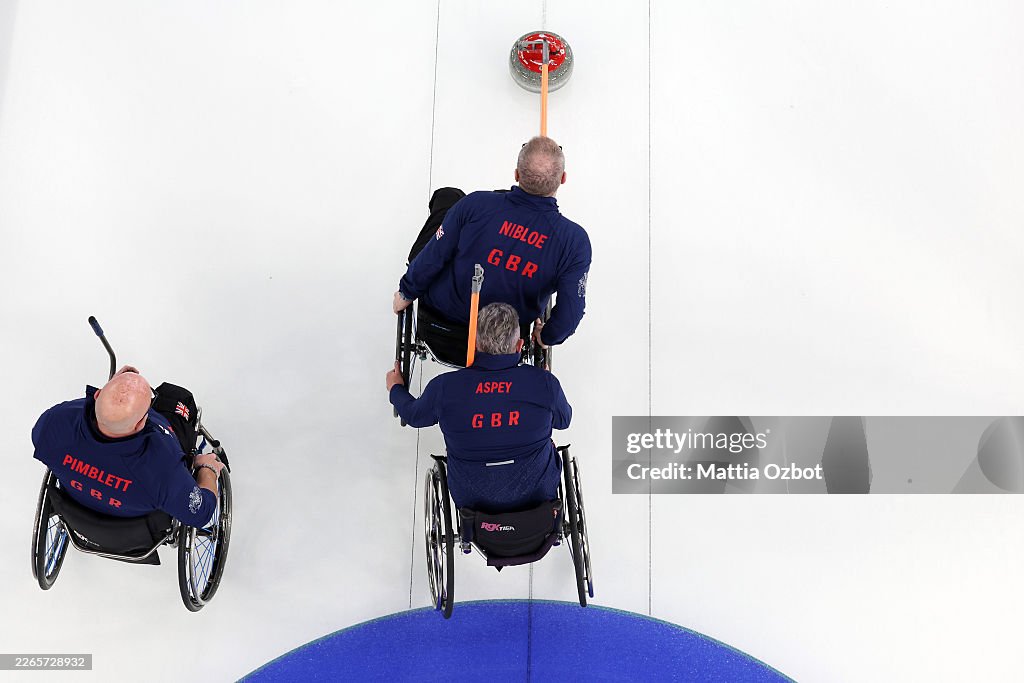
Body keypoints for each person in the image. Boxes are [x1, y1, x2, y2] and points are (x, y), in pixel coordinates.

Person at [393, 136, 591, 363]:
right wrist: (546, 336)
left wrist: (406, 292)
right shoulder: (574, 242)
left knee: (448, 198)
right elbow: (570, 314)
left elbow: (434, 255)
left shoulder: (475, 204)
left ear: (516, 174)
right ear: (563, 179)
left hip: (441, 327)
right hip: (504, 345)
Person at [387, 302, 571, 512]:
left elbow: (413, 416)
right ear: (520, 346)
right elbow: (563, 421)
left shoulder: (444, 387)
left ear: (474, 343)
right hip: (539, 493)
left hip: (472, 497)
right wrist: (546, 386)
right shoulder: (544, 383)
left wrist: (396, 389)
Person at [31, 366, 223, 528]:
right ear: (141, 424)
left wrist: (116, 387)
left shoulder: (54, 423)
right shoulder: (163, 468)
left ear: (97, 394)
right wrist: (207, 468)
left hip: (77, 504)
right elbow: (201, 513)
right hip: (132, 521)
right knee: (179, 396)